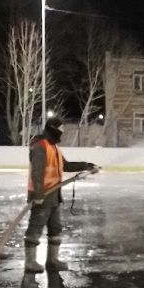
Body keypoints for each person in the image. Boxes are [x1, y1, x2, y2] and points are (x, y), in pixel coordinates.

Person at [24, 116, 100, 273]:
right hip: (42, 196)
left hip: (54, 196)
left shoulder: (54, 148)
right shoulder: (41, 146)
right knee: (35, 228)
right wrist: (38, 195)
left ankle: (52, 260)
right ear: (53, 130)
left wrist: (86, 166)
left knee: (56, 228)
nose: (61, 134)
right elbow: (37, 173)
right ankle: (30, 262)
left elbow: (65, 165)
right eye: (60, 131)